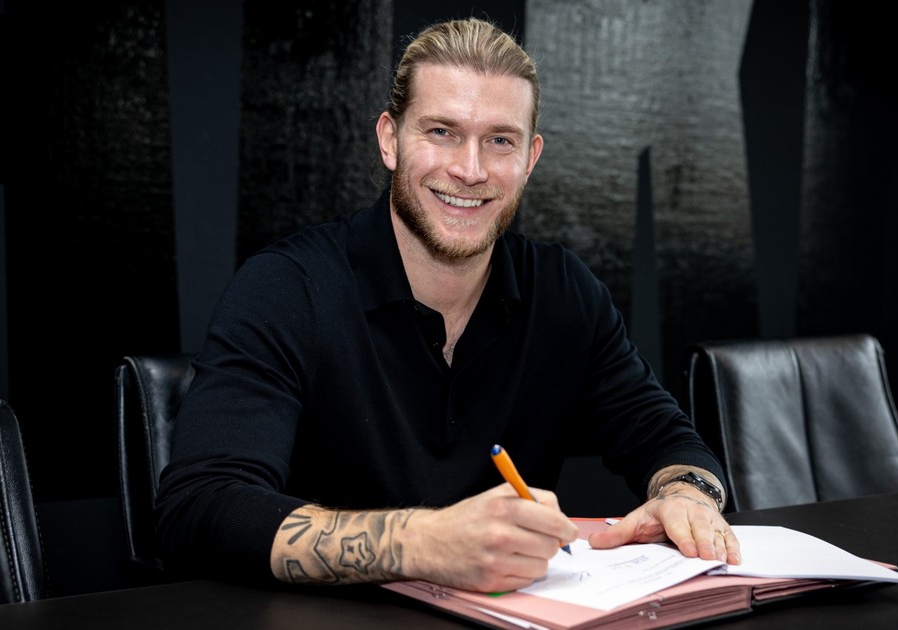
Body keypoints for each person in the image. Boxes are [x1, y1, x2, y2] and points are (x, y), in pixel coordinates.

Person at [155, 16, 740, 594]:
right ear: (390, 140)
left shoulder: (563, 292)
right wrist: (425, 543)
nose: (470, 169)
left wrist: (687, 496)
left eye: (500, 140)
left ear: (530, 158)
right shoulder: (286, 287)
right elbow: (200, 509)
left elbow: (671, 442)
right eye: (441, 132)